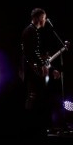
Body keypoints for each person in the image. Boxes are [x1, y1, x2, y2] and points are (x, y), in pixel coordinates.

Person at [20, 7, 53, 136]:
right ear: (38, 18)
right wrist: (41, 64)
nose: (45, 20)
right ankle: (31, 127)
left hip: (31, 68)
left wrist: (41, 61)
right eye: (44, 17)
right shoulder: (30, 31)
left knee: (34, 97)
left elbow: (34, 52)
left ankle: (34, 126)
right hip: (31, 70)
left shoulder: (32, 31)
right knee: (32, 96)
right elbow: (31, 52)